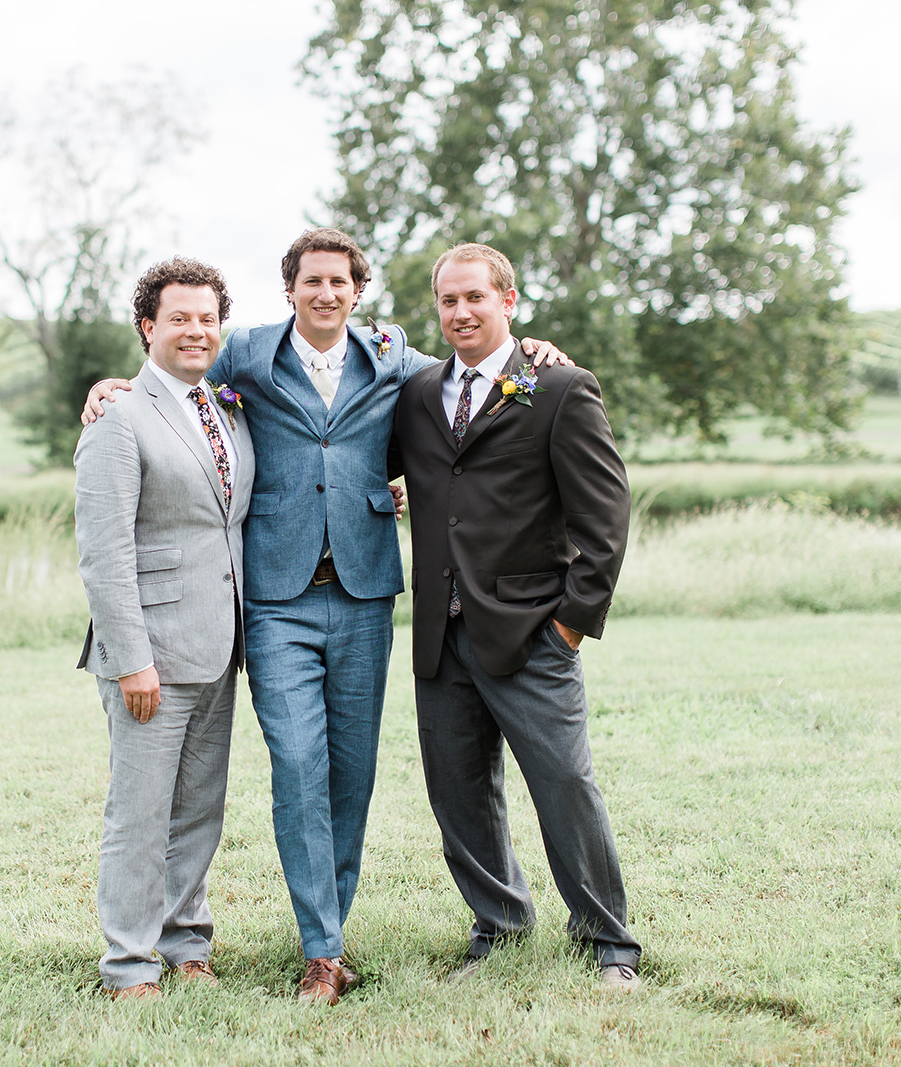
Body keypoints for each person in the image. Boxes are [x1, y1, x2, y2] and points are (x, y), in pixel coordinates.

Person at [83, 228, 569, 1004]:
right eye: (312, 280)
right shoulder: (245, 352)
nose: (326, 293)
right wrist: (113, 386)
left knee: (354, 772)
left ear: (357, 290)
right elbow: (176, 380)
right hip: (276, 602)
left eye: (340, 281)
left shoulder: (393, 358)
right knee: (300, 765)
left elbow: (471, 370)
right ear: (291, 290)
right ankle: (319, 953)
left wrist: (534, 350)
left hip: (367, 593)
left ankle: (328, 939)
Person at [389, 243, 642, 990]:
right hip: (440, 630)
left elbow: (606, 518)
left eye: (475, 297)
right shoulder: (417, 395)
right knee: (457, 791)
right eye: (447, 301)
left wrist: (570, 623)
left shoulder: (558, 388)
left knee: (564, 783)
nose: (461, 312)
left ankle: (609, 942)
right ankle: (497, 925)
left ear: (509, 298)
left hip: (533, 629)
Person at [72, 256, 253, 1000]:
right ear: (148, 327)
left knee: (199, 810)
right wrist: (131, 659)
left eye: (207, 317)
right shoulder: (118, 416)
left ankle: (186, 942)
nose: (195, 329)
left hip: (219, 647)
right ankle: (129, 962)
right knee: (140, 814)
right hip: (149, 657)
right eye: (179, 316)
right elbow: (104, 551)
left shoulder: (229, 410)